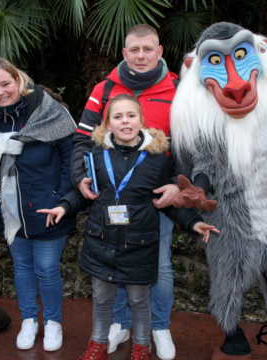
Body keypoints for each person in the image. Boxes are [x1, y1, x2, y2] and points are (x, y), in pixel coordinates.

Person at [40, 94, 218, 359]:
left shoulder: (157, 159)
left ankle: (141, 347)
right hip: (101, 242)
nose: (125, 121)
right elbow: (87, 193)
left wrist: (194, 224)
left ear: (142, 121)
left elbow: (168, 203)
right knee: (101, 299)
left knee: (138, 300)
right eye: (118, 116)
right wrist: (64, 207)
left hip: (139, 245)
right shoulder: (97, 155)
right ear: (108, 123)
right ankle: (97, 344)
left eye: (131, 116)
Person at [70, 24, 211, 359]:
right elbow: (81, 140)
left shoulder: (181, 88)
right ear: (124, 53)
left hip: (155, 198)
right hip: (114, 199)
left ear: (160, 51)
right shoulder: (104, 89)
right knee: (114, 258)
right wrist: (80, 176)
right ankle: (120, 323)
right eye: (134, 50)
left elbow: (197, 146)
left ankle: (158, 326)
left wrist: (180, 186)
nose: (141, 56)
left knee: (157, 265)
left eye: (148, 49)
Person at [0, 57, 77, 352]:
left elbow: (71, 161)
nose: (1, 92)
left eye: (6, 83)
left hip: (49, 211)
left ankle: (53, 323)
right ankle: (29, 320)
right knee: (21, 268)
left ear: (19, 82)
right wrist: (0, 207)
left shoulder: (49, 112)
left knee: (46, 269)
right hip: (11, 215)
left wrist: (60, 200)